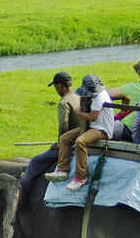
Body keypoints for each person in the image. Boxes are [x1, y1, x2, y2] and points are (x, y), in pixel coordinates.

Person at [18, 72, 89, 209]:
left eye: (56, 87)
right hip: (82, 137)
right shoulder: (79, 97)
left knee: (35, 161)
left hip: (69, 144)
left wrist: (58, 143)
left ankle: (23, 197)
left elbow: (63, 126)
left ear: (60, 86)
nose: (56, 90)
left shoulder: (64, 102)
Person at [45, 74, 115, 191]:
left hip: (102, 129)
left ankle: (80, 176)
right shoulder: (91, 95)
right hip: (90, 127)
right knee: (65, 138)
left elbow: (93, 117)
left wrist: (79, 113)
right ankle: (62, 169)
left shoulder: (100, 97)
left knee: (80, 141)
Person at [106, 56, 140, 140]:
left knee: (100, 128)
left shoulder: (133, 87)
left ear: (139, 74)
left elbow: (105, 94)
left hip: (128, 129)